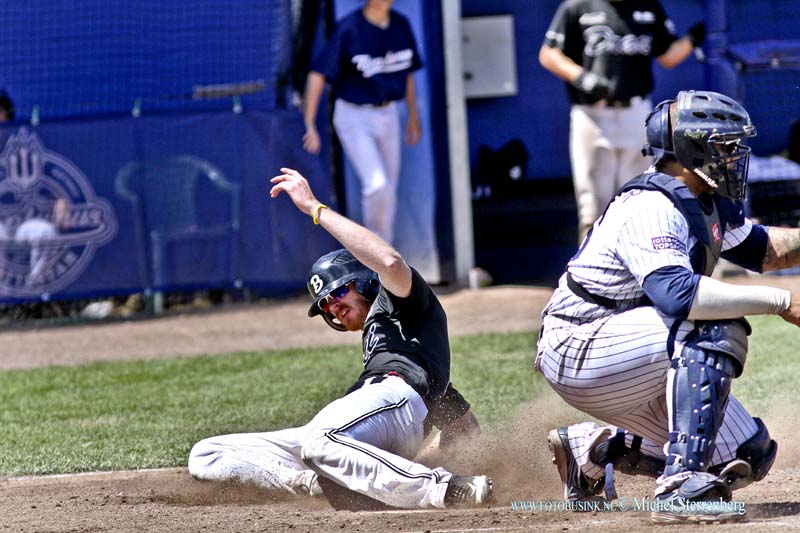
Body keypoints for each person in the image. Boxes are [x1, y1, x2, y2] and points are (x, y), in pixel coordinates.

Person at [536, 90, 797, 523]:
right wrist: (782, 301)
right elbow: (679, 295)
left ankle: (590, 452)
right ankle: (681, 485)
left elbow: (768, 251)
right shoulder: (650, 205)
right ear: (692, 148)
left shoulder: (701, 201)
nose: (734, 156)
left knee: (749, 453)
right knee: (713, 325)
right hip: (578, 343)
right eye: (725, 146)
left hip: (629, 346)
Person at [188, 167, 493, 510]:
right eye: (325, 306)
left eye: (336, 293)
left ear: (362, 280)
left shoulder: (399, 303)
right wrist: (409, 464)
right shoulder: (399, 345)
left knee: (321, 440)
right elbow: (464, 428)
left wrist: (315, 209)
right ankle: (316, 483)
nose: (332, 308)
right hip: (371, 421)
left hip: (393, 400)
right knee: (207, 453)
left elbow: (390, 262)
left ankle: (446, 490)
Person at [539, 0, 706, 241]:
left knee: (642, 199)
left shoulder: (648, 8)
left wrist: (693, 37)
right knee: (593, 206)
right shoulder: (578, 6)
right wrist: (581, 77)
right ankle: (592, 275)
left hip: (636, 112)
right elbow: (549, 53)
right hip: (592, 115)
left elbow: (667, 56)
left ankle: (641, 272)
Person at [301, 0, 422, 246]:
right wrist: (310, 122)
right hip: (354, 115)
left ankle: (384, 254)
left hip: (388, 113)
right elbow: (318, 73)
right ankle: (375, 253)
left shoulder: (400, 25)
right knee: (377, 185)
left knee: (388, 190)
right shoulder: (350, 27)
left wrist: (413, 116)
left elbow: (407, 73)